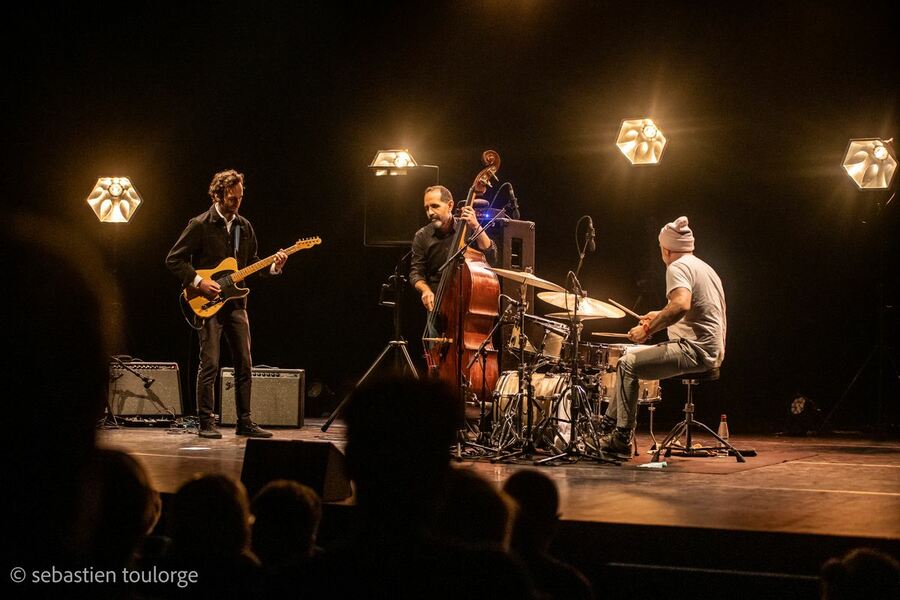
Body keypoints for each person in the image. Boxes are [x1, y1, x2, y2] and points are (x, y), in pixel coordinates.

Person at [166, 169, 287, 439]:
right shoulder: (200, 224)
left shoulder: (244, 226)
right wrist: (199, 282)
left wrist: (275, 267)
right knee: (209, 363)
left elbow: (252, 264)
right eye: (233, 198)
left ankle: (244, 421)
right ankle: (206, 422)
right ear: (219, 195)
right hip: (207, 303)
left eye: (241, 198)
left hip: (236, 304)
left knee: (245, 363)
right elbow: (174, 259)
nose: (237, 203)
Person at [600, 216, 727, 455]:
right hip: (711, 348)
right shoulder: (703, 267)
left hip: (694, 350)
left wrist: (647, 329)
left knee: (627, 365)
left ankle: (620, 438)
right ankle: (607, 425)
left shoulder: (677, 267)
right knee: (627, 358)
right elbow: (697, 309)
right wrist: (657, 314)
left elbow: (681, 305)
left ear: (666, 249)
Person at [410, 185, 497, 312]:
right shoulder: (422, 236)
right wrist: (426, 290)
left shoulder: (467, 229)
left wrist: (475, 225)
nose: (430, 213)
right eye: (427, 208)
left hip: (469, 304)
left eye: (435, 206)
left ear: (450, 206)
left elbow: (491, 256)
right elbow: (416, 273)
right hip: (437, 306)